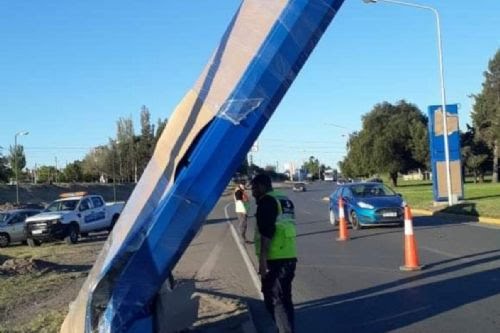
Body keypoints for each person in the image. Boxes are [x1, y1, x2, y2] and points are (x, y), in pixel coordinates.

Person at [251, 174, 297, 333]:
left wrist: (262, 262)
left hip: (275, 258)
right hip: (289, 255)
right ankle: (285, 328)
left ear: (263, 186)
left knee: (274, 300)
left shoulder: (267, 201)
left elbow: (266, 233)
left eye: (254, 188)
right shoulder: (284, 199)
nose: (253, 192)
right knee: (284, 299)